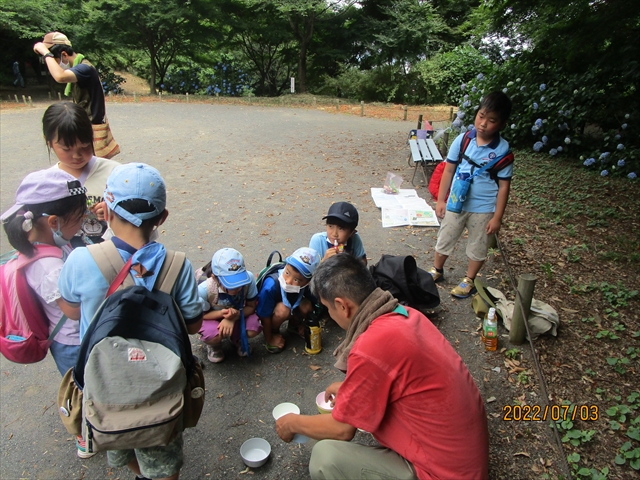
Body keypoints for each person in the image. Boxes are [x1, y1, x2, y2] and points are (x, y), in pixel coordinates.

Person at [275, 254, 489, 480]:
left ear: (342, 306)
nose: (330, 314)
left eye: (328, 308)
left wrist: (292, 423)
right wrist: (351, 390)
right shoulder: (406, 314)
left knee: (325, 457)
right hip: (464, 460)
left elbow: (342, 429)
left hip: (442, 474)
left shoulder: (370, 347)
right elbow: (398, 377)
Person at [58, 163, 203, 477]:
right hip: (160, 385)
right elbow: (192, 326)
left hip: (105, 387)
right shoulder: (177, 266)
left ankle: (138, 472)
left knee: (120, 443)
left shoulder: (81, 260)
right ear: (162, 218)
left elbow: (71, 311)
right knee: (162, 456)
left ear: (106, 211)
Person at [429, 91, 514, 298]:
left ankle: (469, 279)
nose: (483, 123)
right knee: (445, 237)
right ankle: (437, 270)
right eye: (481, 116)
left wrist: (497, 217)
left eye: (491, 120)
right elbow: (448, 169)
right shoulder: (463, 140)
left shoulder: (503, 152)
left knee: (478, 245)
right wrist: (441, 200)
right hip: (456, 202)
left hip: (484, 208)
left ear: (502, 124)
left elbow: (504, 187)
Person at [1, 169, 84, 376]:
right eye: (80, 217)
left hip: (72, 339)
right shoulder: (48, 268)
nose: (83, 222)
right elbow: (74, 312)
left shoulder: (45, 244)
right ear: (54, 222)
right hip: (74, 343)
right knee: (84, 392)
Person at [43, 102, 119, 247]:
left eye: (84, 146)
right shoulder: (46, 182)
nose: (77, 155)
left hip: (107, 258)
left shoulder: (115, 173)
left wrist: (113, 213)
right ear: (49, 142)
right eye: (66, 149)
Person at [33, 32, 119, 158]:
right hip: (86, 126)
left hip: (92, 129)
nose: (53, 65)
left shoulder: (85, 69)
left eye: (54, 60)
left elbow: (60, 76)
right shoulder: (80, 67)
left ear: (64, 55)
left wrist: (46, 54)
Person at [197, 247, 262, 363]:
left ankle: (238, 338)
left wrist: (233, 317)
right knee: (213, 335)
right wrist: (222, 314)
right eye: (230, 285)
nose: (237, 288)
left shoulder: (249, 279)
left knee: (253, 328)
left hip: (237, 312)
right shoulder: (203, 289)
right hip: (212, 315)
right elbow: (200, 316)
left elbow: (251, 306)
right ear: (215, 278)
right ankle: (214, 345)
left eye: (239, 283)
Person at [256, 247, 320, 353]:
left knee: (307, 306)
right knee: (283, 310)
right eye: (287, 273)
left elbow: (316, 302)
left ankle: (294, 325)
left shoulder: (308, 286)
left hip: (292, 305)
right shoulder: (271, 285)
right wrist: (269, 338)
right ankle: (274, 331)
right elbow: (264, 315)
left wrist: (307, 323)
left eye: (296, 280)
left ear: (308, 281)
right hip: (274, 311)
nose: (289, 281)